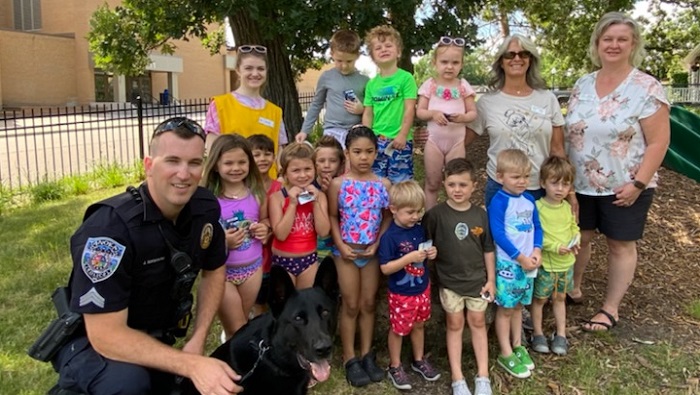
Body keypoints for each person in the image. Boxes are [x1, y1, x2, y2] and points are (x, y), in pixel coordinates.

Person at [50, 117, 242, 394]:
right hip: (91, 344)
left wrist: (198, 339)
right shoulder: (109, 230)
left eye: (194, 163)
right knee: (129, 384)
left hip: (153, 337)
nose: (184, 174)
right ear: (149, 166)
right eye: (172, 161)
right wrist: (189, 364)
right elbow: (105, 336)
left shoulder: (204, 208)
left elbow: (215, 270)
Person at [565, 12, 670, 332]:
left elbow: (659, 142)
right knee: (579, 237)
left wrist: (638, 183)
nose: (614, 45)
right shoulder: (583, 83)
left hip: (625, 184)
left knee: (619, 244)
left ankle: (610, 308)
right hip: (580, 181)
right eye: (607, 39)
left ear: (633, 44)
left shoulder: (646, 87)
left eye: (622, 39)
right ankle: (574, 288)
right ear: (597, 44)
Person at [465, 34, 565, 207]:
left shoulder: (547, 99)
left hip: (541, 187)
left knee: (540, 235)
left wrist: (567, 190)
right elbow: (461, 140)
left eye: (523, 54)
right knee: (500, 235)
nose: (517, 58)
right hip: (500, 189)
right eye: (510, 55)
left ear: (530, 60)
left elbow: (557, 150)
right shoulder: (487, 102)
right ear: (501, 62)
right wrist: (432, 135)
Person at [423, 158, 495, 395]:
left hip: (477, 282)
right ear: (443, 183)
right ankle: (457, 377)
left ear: (474, 185)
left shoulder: (480, 216)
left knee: (477, 322)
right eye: (452, 184)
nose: (457, 190)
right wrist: (429, 255)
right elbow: (425, 245)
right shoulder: (435, 215)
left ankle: (483, 376)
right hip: (449, 283)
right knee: (455, 324)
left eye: (463, 185)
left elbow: (488, 249)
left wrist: (491, 279)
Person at [327, 125, 391, 387]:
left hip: (371, 253)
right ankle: (349, 356)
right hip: (347, 253)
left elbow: (387, 216)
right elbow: (332, 215)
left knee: (368, 303)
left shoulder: (383, 184)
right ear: (347, 153)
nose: (363, 157)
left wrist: (377, 242)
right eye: (357, 152)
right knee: (351, 304)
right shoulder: (338, 184)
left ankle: (366, 353)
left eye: (369, 152)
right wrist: (341, 245)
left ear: (376, 153)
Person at [201, 134, 271, 339]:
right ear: (215, 165)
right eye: (228, 163)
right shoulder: (208, 199)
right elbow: (200, 237)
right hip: (222, 272)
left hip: (252, 269)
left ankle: (231, 348)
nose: (236, 168)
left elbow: (266, 221)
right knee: (238, 326)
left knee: (242, 318)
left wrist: (264, 229)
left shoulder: (257, 193)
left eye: (242, 162)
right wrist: (223, 242)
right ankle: (236, 364)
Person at [378, 180, 440, 390]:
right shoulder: (389, 237)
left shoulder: (419, 229)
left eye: (418, 211)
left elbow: (425, 251)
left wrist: (432, 253)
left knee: (419, 324)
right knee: (398, 329)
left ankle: (419, 359)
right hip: (401, 293)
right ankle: (395, 365)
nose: (415, 216)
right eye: (410, 212)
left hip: (422, 288)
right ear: (393, 210)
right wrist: (409, 257)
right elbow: (385, 268)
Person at [488, 149, 542, 379]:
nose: (522, 182)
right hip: (509, 264)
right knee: (506, 308)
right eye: (516, 177)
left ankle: (518, 344)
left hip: (528, 264)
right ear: (501, 177)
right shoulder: (499, 202)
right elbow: (498, 233)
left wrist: (537, 249)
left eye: (526, 177)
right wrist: (520, 257)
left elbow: (537, 227)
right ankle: (505, 351)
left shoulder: (529, 200)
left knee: (519, 306)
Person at [204, 44, 288, 178]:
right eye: (248, 68)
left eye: (260, 68)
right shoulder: (220, 105)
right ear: (238, 70)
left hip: (267, 187)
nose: (255, 73)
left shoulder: (275, 112)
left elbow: (279, 153)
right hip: (233, 184)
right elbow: (212, 150)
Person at [416, 36, 478, 209]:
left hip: (456, 142)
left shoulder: (463, 85)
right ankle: (430, 220)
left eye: (455, 62)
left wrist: (463, 117)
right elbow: (420, 112)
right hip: (434, 142)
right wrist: (433, 114)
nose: (449, 66)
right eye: (444, 62)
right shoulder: (430, 84)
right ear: (435, 63)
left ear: (461, 64)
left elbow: (473, 112)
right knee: (432, 182)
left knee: (457, 183)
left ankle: (454, 218)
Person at [530, 156, 580, 355]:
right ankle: (538, 333)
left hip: (566, 264)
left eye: (565, 184)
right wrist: (554, 246)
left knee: (560, 297)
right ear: (543, 183)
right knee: (540, 299)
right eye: (554, 183)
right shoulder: (538, 207)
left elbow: (573, 226)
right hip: (546, 265)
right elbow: (535, 235)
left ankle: (560, 334)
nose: (560, 189)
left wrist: (576, 238)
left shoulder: (567, 207)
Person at [269, 143, 331, 289]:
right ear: (285, 173)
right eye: (296, 170)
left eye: (307, 169)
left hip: (308, 260)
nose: (303, 175)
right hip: (283, 260)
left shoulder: (320, 196)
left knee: (306, 304)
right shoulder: (277, 198)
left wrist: (315, 203)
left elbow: (323, 232)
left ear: (315, 170)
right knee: (285, 307)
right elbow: (281, 235)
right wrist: (292, 204)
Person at [362, 25, 418, 184]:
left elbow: (409, 109)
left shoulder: (406, 78)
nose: (383, 49)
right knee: (377, 181)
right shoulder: (371, 84)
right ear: (372, 56)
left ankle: (400, 209)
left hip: (399, 141)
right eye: (378, 48)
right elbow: (368, 113)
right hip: (377, 140)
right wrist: (367, 137)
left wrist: (402, 134)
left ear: (398, 51)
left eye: (388, 46)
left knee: (400, 183)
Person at [296, 30, 368, 148]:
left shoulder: (365, 81)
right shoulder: (327, 77)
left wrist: (363, 109)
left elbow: (373, 108)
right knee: (331, 165)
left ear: (357, 56)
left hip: (356, 131)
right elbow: (316, 104)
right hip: (332, 131)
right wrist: (305, 130)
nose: (344, 65)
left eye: (349, 61)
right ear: (332, 54)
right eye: (339, 61)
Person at [247, 134, 283, 317]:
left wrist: (269, 228)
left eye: (268, 153)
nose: (263, 159)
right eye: (257, 154)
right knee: (257, 303)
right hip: (251, 256)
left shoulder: (280, 187)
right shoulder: (243, 189)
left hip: (274, 254)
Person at [313, 135, 346, 263]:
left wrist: (331, 193)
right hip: (314, 246)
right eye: (321, 161)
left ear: (341, 163)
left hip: (340, 244)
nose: (327, 165)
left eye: (332, 161)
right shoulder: (307, 187)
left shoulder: (346, 186)